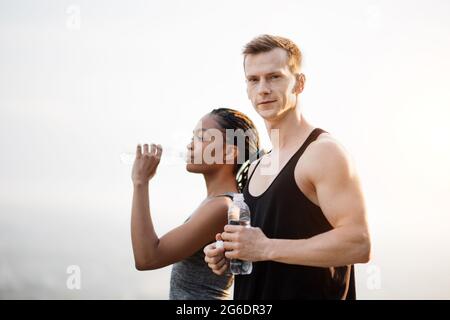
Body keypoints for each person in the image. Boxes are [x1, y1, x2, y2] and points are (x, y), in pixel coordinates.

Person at [204, 35, 371, 299]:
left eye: (274, 77)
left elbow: (358, 243)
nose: (263, 89)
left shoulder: (323, 152)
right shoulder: (258, 164)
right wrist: (230, 251)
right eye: (253, 80)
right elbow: (267, 245)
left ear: (299, 83)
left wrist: (264, 248)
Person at [130, 108, 261, 299]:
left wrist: (140, 182)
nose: (190, 145)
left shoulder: (221, 207)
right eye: (193, 137)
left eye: (201, 138)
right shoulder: (221, 202)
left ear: (229, 153)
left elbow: (147, 258)